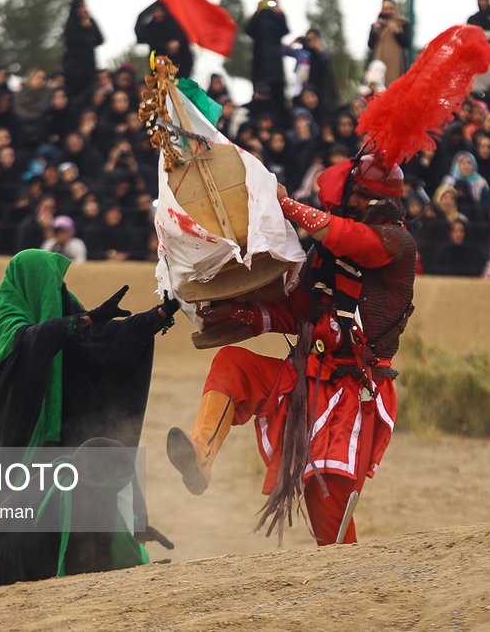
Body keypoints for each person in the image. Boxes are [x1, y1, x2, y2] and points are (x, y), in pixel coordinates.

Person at [166, 154, 416, 547]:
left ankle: (348, 584)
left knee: (327, 504)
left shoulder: (395, 243)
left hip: (355, 391)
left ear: (365, 198)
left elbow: (353, 240)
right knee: (232, 365)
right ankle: (200, 454)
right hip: (307, 374)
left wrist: (285, 205)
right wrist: (239, 312)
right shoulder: (328, 253)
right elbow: (299, 310)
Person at [0, 249, 180, 592]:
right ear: (29, 283)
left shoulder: (65, 311)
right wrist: (81, 323)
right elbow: (31, 340)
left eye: (60, 283)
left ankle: (114, 562)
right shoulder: (6, 324)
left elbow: (103, 341)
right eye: (50, 283)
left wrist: (159, 314)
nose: (58, 291)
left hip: (50, 449)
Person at [246, 0, 290, 122]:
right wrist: (257, 12)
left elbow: (284, 31)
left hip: (275, 63)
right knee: (260, 98)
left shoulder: (278, 16)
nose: (269, 1)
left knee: (278, 99)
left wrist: (279, 12)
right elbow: (249, 31)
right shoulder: (259, 17)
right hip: (261, 64)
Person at [135, 1, 194, 79]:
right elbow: (140, 32)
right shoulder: (150, 28)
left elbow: (184, 40)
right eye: (156, 11)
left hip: (179, 69)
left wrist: (177, 43)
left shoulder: (173, 25)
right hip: (159, 70)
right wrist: (166, 45)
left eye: (161, 11)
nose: (158, 14)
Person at [62, 0, 105, 101]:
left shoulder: (90, 21)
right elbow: (73, 41)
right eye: (81, 6)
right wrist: (86, 33)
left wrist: (90, 27)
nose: (83, 9)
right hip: (74, 66)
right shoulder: (71, 24)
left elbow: (100, 39)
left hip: (89, 65)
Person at [368, 0, 411, 88]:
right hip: (378, 65)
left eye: (391, 8)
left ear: (395, 10)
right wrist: (374, 31)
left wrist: (397, 31)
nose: (388, 11)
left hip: (395, 66)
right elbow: (370, 45)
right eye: (385, 8)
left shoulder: (402, 24)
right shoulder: (377, 25)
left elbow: (407, 43)